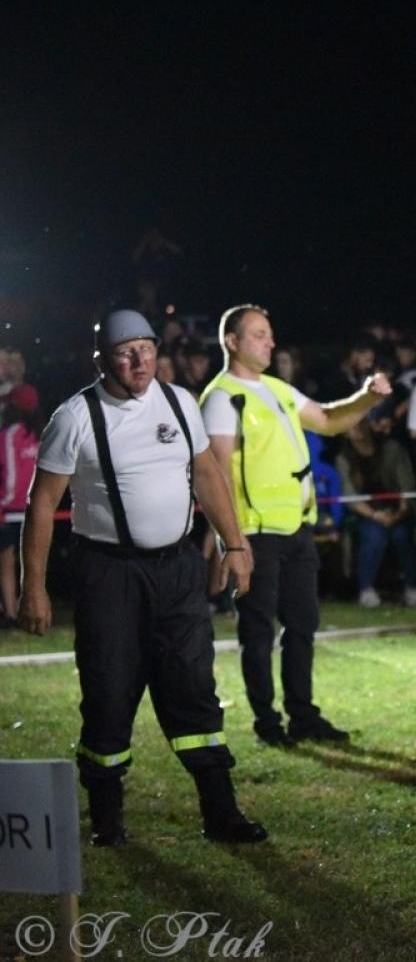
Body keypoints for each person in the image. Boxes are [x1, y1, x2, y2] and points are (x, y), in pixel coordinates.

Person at [18, 310, 266, 845]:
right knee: (108, 691)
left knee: (194, 687)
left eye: (147, 349)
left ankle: (221, 814)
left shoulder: (179, 402)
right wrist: (33, 587)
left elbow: (207, 474)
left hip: (177, 571)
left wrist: (235, 543)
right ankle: (107, 821)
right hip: (109, 575)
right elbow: (41, 505)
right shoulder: (75, 416)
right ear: (101, 360)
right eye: (125, 352)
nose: (139, 362)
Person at [201, 303, 393, 747]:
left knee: (302, 626)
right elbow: (216, 473)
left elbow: (326, 419)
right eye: (259, 334)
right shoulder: (222, 398)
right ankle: (267, 723)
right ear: (232, 341)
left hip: (296, 529)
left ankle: (303, 716)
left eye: (270, 334)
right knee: (258, 633)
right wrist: (232, 541)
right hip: (255, 533)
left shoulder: (276, 388)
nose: (270, 342)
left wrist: (368, 397)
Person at [337, 412, 416, 607]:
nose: (357, 428)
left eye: (361, 423)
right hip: (365, 513)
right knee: (373, 534)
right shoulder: (343, 459)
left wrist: (399, 513)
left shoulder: (392, 449)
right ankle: (366, 589)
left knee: (402, 534)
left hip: (397, 510)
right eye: (351, 424)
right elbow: (349, 496)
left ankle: (412, 587)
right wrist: (375, 515)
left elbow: (406, 485)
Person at [0, 387, 40, 628]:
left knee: (6, 563)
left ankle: (11, 613)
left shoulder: (9, 435)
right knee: (31, 562)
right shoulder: (39, 434)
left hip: (9, 509)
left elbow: (8, 473)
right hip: (34, 508)